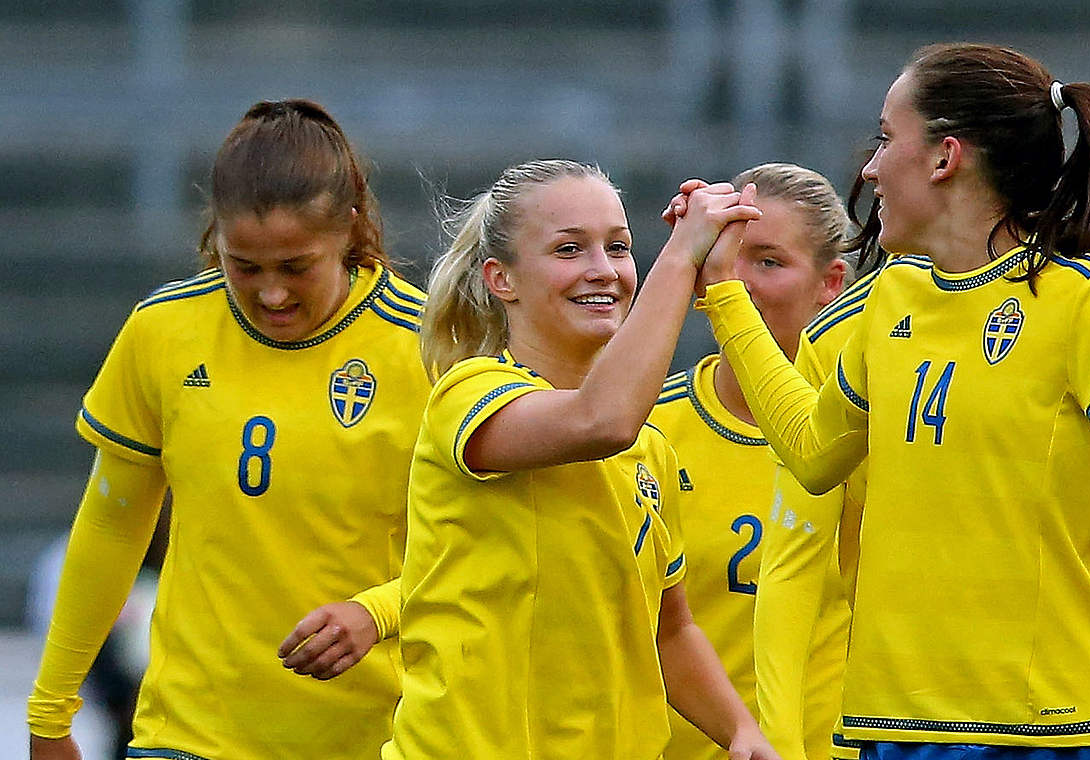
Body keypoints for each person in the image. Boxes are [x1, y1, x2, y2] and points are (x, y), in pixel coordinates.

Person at [686, 42, 1090, 759]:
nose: (868, 168)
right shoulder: (890, 299)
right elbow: (809, 455)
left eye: (886, 138)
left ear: (944, 157)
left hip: (1064, 730)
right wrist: (726, 299)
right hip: (897, 730)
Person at [27, 99, 430, 760]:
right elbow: (111, 525)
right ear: (215, 234)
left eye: (296, 266)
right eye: (245, 266)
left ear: (350, 230)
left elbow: (479, 549)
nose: (271, 293)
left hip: (378, 739)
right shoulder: (164, 331)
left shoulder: (426, 345)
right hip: (187, 737)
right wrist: (50, 711)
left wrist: (378, 611)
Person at [381, 159, 778, 760]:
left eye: (619, 248)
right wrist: (680, 260)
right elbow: (599, 421)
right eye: (569, 249)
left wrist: (742, 732)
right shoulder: (469, 394)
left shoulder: (652, 450)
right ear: (501, 279)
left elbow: (670, 630)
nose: (605, 271)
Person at [649, 162, 852, 760]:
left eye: (767, 261)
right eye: (726, 255)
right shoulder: (646, 427)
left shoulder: (868, 436)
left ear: (831, 282)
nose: (734, 281)